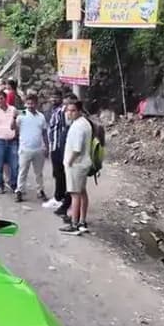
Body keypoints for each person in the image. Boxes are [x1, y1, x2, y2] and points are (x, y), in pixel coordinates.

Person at [61, 99, 94, 235]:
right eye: (68, 110)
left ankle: (74, 224)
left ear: (79, 111)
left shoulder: (78, 126)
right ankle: (82, 221)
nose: (70, 113)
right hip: (83, 163)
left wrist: (69, 161)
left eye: (73, 110)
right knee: (82, 192)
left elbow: (77, 148)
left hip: (76, 164)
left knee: (75, 194)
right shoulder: (83, 123)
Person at [14, 94, 49, 203]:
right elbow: (13, 128)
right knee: (22, 171)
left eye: (32, 103)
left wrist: (46, 146)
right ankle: (19, 191)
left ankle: (40, 190)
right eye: (28, 103)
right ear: (25, 104)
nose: (30, 105)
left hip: (38, 148)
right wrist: (13, 118)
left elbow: (44, 132)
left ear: (36, 103)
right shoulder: (22, 115)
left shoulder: (41, 116)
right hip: (25, 148)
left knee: (39, 172)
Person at [44, 92, 71, 214]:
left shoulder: (63, 111)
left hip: (60, 147)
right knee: (57, 173)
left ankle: (59, 197)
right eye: (52, 97)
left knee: (60, 173)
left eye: (57, 97)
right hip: (54, 146)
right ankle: (61, 196)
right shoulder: (53, 111)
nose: (54, 99)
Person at [0, 88, 19, 193]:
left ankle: (13, 184)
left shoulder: (13, 109)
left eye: (1, 98)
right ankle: (0, 185)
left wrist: (15, 120)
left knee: (15, 165)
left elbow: (17, 124)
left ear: (5, 99)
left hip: (12, 141)